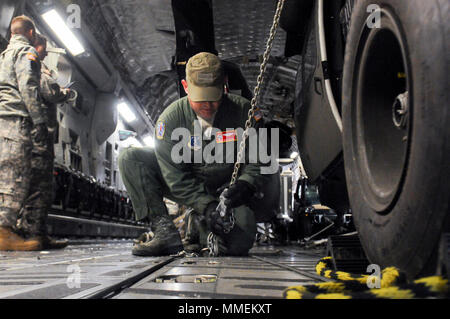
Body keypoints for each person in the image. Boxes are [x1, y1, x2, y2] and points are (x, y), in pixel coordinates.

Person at [119, 52, 280, 256]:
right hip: (188, 185)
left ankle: (197, 226)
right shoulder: (170, 121)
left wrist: (245, 184)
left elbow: (258, 159)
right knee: (130, 158)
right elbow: (175, 178)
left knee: (238, 244)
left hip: (227, 192)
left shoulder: (245, 113)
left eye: (213, 98)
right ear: (186, 87)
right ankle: (165, 231)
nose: (207, 106)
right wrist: (207, 206)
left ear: (224, 84)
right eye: (200, 99)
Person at [0, 16, 65, 251]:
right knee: (15, 175)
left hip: (4, 118)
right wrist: (38, 120)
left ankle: (11, 231)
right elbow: (28, 85)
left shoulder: (4, 55)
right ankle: (4, 232)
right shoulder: (25, 52)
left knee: (9, 173)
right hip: (16, 120)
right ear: (30, 32)